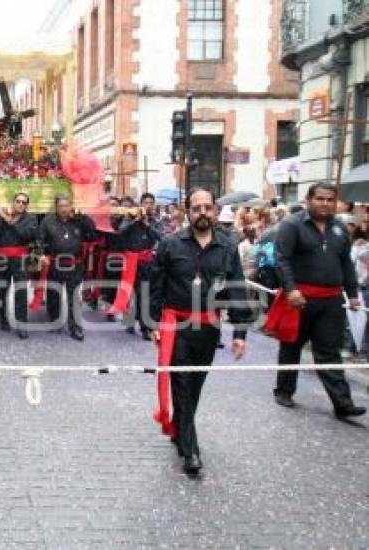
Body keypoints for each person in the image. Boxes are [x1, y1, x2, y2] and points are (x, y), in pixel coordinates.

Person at [149, 187, 251, 476]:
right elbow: (155, 285)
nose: (203, 213)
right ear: (187, 211)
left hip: (208, 327)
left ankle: (181, 428)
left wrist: (240, 333)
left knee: (195, 384)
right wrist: (152, 323)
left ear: (215, 211)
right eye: (197, 208)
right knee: (181, 381)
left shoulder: (228, 247)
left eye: (208, 207)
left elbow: (236, 291)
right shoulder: (169, 244)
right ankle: (190, 450)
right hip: (175, 324)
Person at [267, 182, 366, 419]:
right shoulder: (292, 225)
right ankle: (284, 391)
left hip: (331, 301)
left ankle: (343, 404)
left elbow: (346, 265)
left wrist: (352, 294)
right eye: (320, 199)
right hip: (299, 299)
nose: (325, 203)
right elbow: (282, 259)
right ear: (309, 199)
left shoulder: (341, 229)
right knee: (291, 347)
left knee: (329, 352)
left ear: (335, 202)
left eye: (330, 200)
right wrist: (290, 290)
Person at [35, 194, 97, 341]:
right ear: (56, 207)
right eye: (61, 206)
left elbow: (92, 234)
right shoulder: (48, 220)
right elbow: (39, 239)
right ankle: (54, 320)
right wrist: (41, 254)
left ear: (71, 206)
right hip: (54, 264)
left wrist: (83, 218)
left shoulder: (79, 220)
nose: (64, 209)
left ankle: (75, 328)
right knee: (53, 295)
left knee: (74, 297)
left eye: (66, 205)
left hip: (75, 265)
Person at [114, 193, 163, 340]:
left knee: (145, 295)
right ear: (140, 204)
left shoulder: (155, 222)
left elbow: (161, 237)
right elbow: (120, 230)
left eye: (151, 203)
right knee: (130, 293)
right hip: (131, 261)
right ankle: (130, 319)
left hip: (147, 262)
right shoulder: (131, 218)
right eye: (146, 202)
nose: (148, 205)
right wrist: (134, 220)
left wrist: (148, 225)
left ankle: (144, 327)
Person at [0, 193, 37, 339]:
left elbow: (27, 235)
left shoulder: (30, 219)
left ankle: (22, 325)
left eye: (24, 202)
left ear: (27, 205)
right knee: (2, 290)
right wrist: (0, 220)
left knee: (21, 292)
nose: (20, 204)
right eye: (18, 201)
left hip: (20, 259)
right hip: (2, 258)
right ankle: (3, 320)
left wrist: (12, 223)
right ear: (13, 202)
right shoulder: (3, 216)